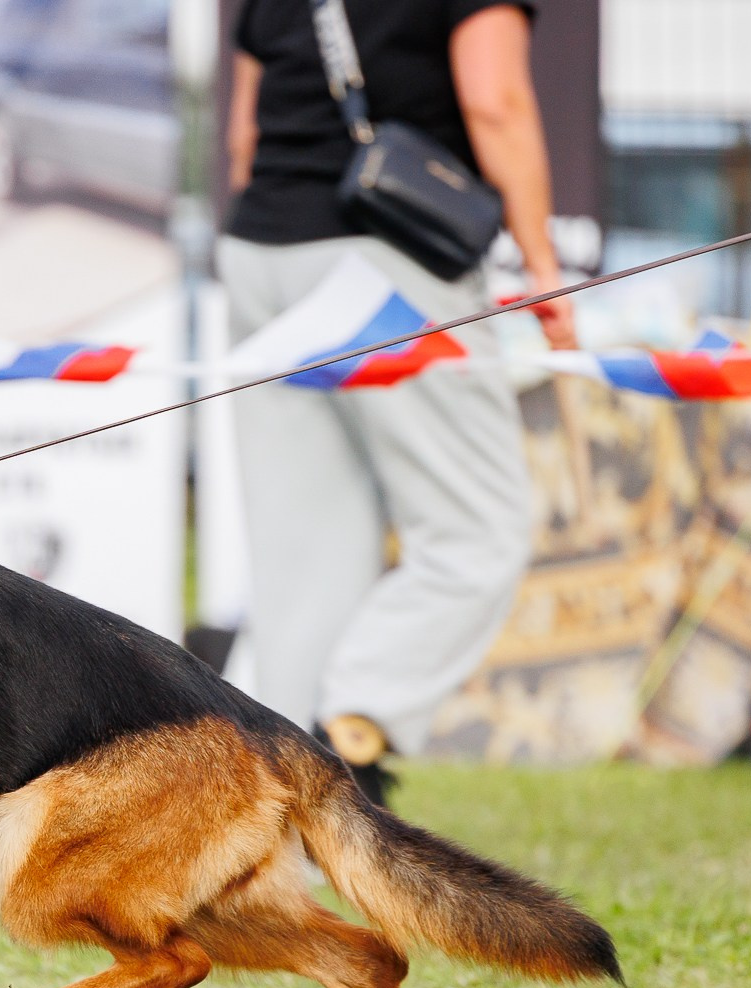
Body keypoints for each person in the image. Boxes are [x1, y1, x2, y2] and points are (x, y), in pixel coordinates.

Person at [220, 0, 575, 802]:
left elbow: (245, 132)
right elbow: (495, 101)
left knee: (302, 561)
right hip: (389, 258)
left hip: (261, 250)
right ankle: (352, 723)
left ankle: (276, 820)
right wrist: (543, 264)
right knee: (476, 530)